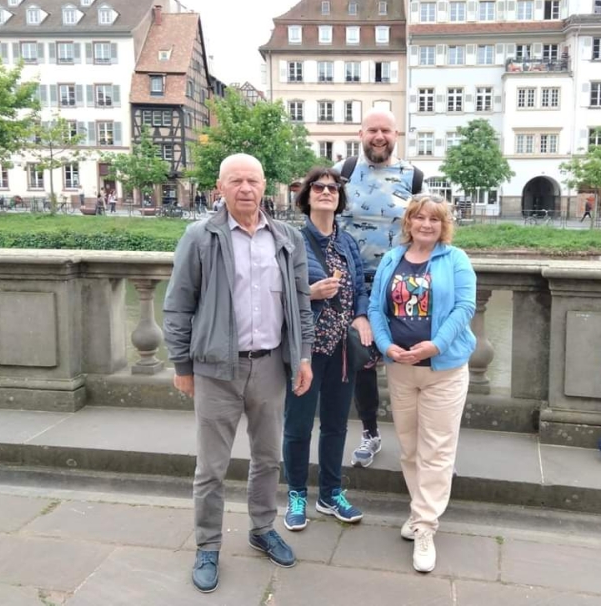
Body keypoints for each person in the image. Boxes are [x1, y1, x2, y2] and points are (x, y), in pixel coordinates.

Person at [163, 153, 314, 594]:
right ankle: (208, 545)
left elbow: (301, 303)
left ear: (264, 186)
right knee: (211, 466)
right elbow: (178, 305)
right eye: (236, 181)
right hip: (216, 369)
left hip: (270, 366)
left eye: (253, 180)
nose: (245, 188)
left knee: (268, 458)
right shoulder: (200, 237)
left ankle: (262, 528)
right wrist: (182, 364)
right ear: (220, 187)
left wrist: (303, 357)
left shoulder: (286, 238)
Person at [368, 193, 476, 573]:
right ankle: (419, 512)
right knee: (410, 447)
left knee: (437, 449)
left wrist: (436, 344)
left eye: (434, 219)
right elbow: (375, 308)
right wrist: (385, 345)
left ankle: (426, 526)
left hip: (443, 370)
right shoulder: (391, 259)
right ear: (409, 222)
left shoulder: (456, 259)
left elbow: (465, 307)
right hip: (401, 369)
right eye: (420, 218)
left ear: (443, 225)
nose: (426, 224)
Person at [282, 167, 371, 532]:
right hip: (308, 348)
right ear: (306, 197)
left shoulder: (347, 242)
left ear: (339, 199)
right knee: (298, 425)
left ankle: (331, 493)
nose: (326, 192)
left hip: (342, 349)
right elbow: (275, 288)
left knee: (335, 424)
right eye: (318, 187)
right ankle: (296, 495)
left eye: (333, 188)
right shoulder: (291, 240)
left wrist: (361, 316)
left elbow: (361, 286)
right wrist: (309, 293)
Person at [337, 108, 425, 469]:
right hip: (355, 286)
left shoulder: (413, 177)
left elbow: (424, 228)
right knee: (362, 363)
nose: (379, 136)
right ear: (360, 134)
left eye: (386, 130)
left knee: (413, 362)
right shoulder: (342, 173)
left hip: (401, 287)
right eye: (372, 130)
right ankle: (370, 433)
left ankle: (421, 442)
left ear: (396, 135)